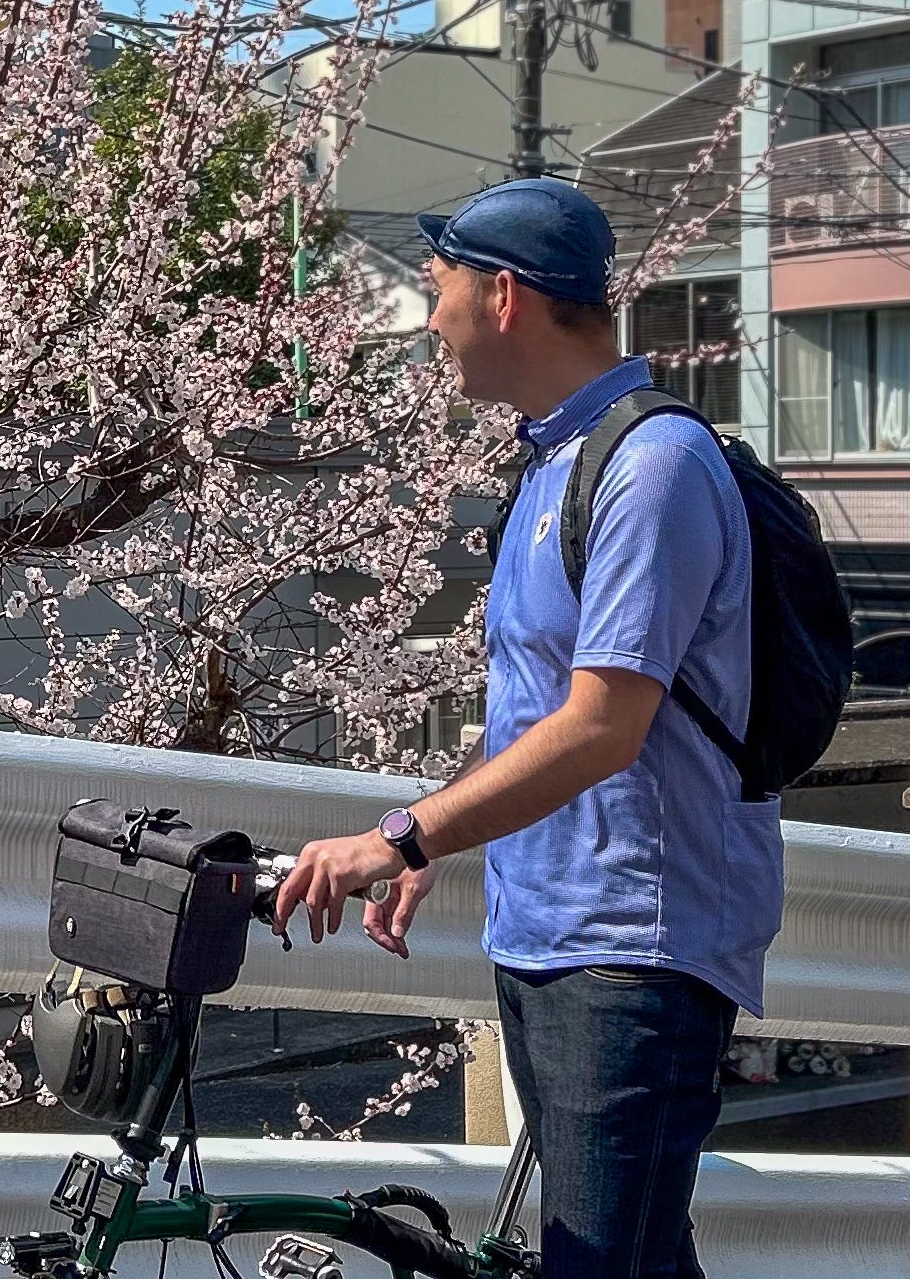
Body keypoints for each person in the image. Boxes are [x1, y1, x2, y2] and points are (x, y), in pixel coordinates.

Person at [274, 177, 784, 1279]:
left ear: (502, 296)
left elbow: (602, 727)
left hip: (632, 949)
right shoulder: (555, 460)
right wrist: (440, 839)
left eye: (440, 285)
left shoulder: (651, 465)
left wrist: (401, 837)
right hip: (550, 932)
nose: (431, 315)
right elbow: (535, 708)